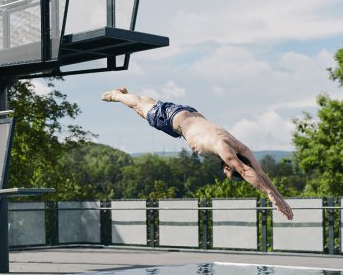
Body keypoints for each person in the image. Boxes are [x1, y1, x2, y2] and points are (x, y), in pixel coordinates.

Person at [102, 87, 293, 220]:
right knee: (140, 108)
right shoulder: (226, 151)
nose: (225, 174)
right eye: (228, 174)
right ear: (230, 166)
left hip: (188, 114)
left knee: (148, 105)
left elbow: (260, 173)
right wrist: (270, 195)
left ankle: (125, 94)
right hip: (173, 121)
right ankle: (116, 95)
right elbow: (244, 171)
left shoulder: (240, 147)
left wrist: (281, 199)